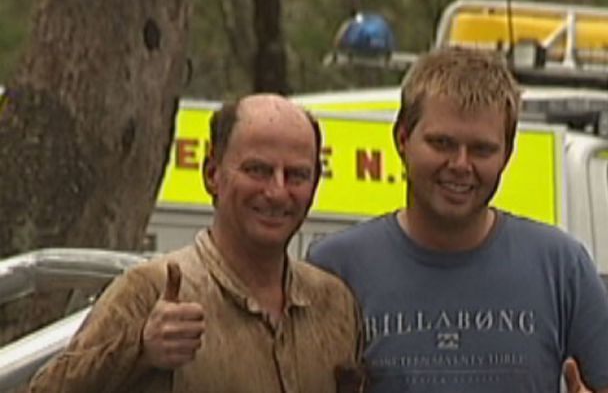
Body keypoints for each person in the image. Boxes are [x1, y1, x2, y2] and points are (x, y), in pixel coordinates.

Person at [308, 47, 608, 392]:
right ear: (403, 140)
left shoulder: (560, 266)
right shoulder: (335, 268)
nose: (460, 165)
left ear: (507, 154)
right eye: (442, 143)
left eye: (481, 149)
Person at [29, 94, 364, 392]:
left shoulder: (334, 304)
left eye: (296, 175)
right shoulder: (148, 291)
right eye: (257, 170)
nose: (277, 192)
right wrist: (139, 351)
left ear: (315, 183)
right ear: (212, 174)